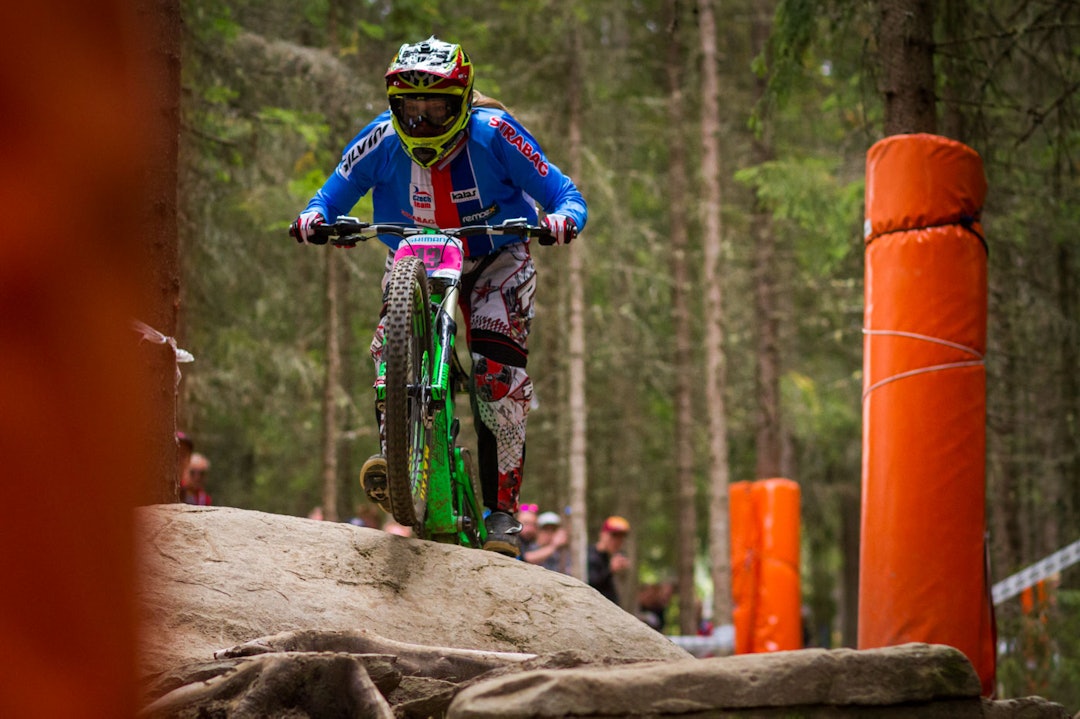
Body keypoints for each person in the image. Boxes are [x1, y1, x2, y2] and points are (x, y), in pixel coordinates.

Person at [290, 37, 587, 558]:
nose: (422, 122)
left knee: (497, 374)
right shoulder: (380, 139)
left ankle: (501, 513)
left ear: (464, 103)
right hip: (417, 257)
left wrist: (562, 220)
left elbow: (565, 193)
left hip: (496, 257)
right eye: (412, 109)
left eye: (436, 109)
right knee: (387, 344)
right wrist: (315, 218)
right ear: (394, 106)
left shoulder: (496, 134)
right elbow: (328, 196)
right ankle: (398, 460)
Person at [587, 515, 632, 604]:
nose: (617, 541)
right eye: (614, 536)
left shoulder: (610, 556)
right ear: (602, 534)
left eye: (621, 537)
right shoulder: (589, 554)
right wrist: (610, 569)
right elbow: (589, 584)